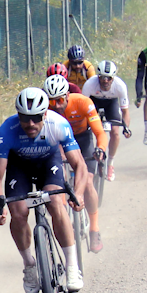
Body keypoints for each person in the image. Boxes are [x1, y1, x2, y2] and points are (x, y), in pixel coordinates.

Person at [0, 87, 88, 293]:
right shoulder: (7, 130)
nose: (30, 124)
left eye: (35, 118)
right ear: (18, 115)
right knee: (18, 212)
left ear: (44, 114)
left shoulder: (58, 124)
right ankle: (29, 264)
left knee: (56, 204)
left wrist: (78, 193)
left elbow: (80, 165)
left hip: (48, 163)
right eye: (25, 118)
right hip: (19, 166)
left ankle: (71, 266)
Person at [43, 75, 107, 253]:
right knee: (58, 176)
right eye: (51, 101)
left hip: (82, 139)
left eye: (61, 100)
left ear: (68, 95)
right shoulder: (45, 109)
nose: (56, 105)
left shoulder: (83, 102)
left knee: (87, 181)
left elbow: (100, 132)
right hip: (59, 141)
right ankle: (63, 215)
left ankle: (94, 229)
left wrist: (100, 148)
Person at [80, 60, 132, 181]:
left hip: (111, 103)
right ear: (98, 76)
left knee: (115, 132)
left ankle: (110, 163)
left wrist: (126, 128)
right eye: (102, 78)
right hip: (94, 102)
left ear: (113, 78)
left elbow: (125, 111)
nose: (105, 81)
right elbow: (83, 108)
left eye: (109, 78)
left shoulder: (120, 86)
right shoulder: (89, 84)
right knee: (86, 129)